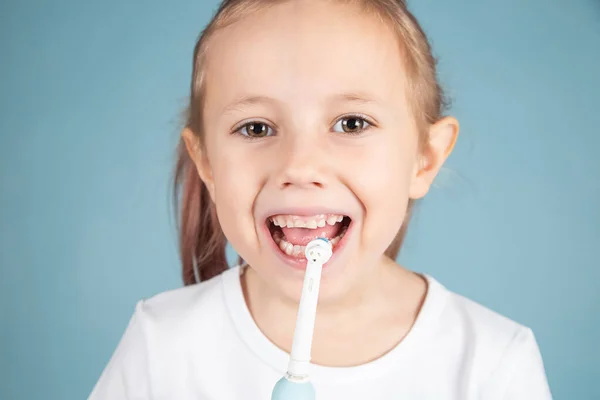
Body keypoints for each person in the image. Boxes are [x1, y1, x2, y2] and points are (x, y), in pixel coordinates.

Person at [89, 0, 552, 398]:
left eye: (351, 123)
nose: (300, 166)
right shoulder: (163, 345)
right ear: (206, 163)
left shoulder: (493, 365)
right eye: (256, 128)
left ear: (424, 159)